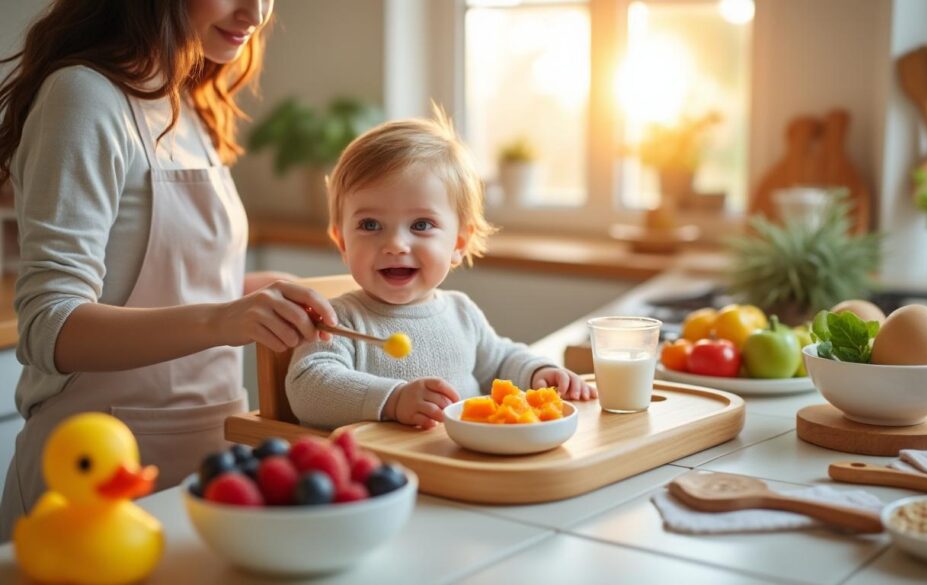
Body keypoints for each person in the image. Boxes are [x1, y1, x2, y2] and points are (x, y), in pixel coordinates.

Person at [0, 0, 339, 540]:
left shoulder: (187, 101)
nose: (255, 12)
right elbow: (50, 326)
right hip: (95, 483)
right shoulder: (82, 97)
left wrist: (262, 296)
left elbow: (180, 284)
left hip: (205, 466)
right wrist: (226, 319)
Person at [285, 109, 597, 431]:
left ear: (459, 243)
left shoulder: (462, 313)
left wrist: (536, 373)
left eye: (421, 225)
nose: (395, 244)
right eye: (370, 224)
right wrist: (393, 400)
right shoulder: (338, 322)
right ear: (342, 242)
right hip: (387, 475)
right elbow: (309, 386)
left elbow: (500, 361)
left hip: (461, 468)